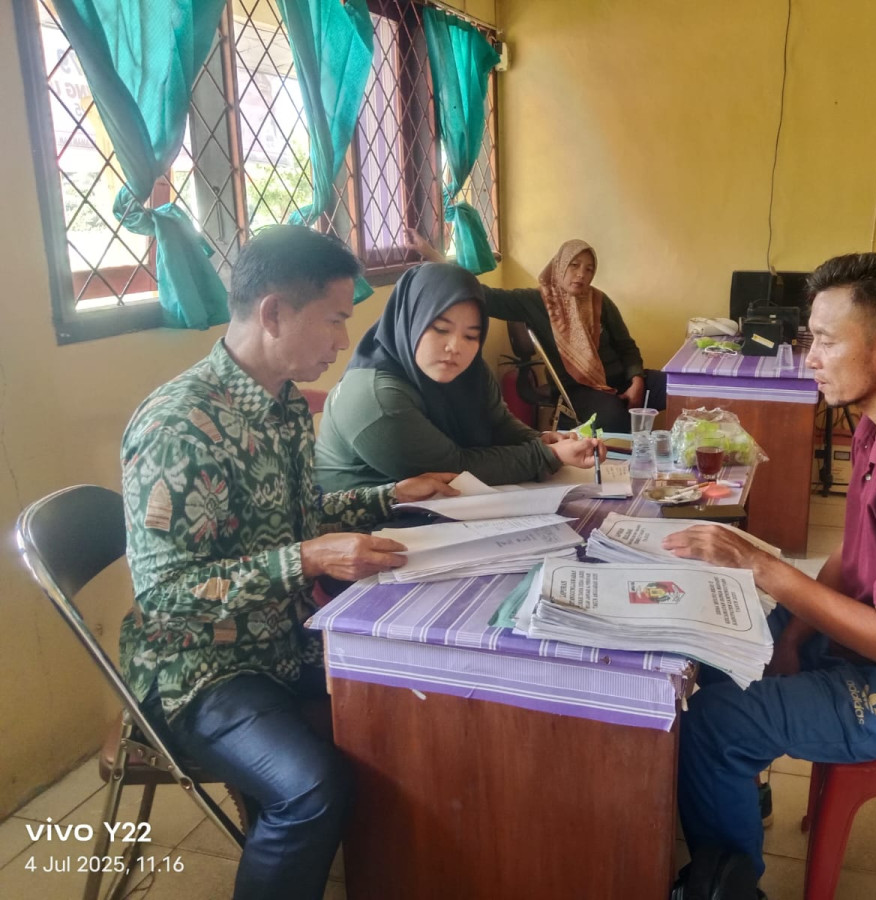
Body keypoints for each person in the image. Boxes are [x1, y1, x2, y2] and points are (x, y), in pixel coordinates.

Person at [120, 225, 458, 900]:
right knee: (309, 790)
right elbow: (165, 596)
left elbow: (301, 518)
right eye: (334, 320)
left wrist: (392, 495)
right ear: (273, 313)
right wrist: (306, 559)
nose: (343, 340)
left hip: (283, 639)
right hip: (199, 670)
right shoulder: (177, 426)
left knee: (423, 701)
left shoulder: (282, 405)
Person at [664, 252, 876, 888]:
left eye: (824, 341)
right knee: (713, 650)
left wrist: (762, 567)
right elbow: (853, 556)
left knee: (715, 724)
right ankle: (731, 797)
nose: (809, 360)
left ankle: (727, 882)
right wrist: (792, 637)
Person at [314, 262, 604, 491]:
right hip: (367, 530)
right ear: (411, 321)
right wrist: (550, 456)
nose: (455, 347)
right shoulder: (377, 399)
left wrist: (543, 440)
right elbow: (454, 469)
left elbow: (497, 423)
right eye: (441, 329)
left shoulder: (470, 371)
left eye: (471, 335)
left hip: (438, 512)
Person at [407, 232, 665, 433]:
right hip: (578, 389)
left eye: (589, 269)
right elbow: (483, 294)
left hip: (621, 379)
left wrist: (637, 381)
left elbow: (626, 346)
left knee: (676, 387)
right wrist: (434, 255)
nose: (581, 274)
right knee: (614, 416)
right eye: (574, 265)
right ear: (560, 266)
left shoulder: (600, 301)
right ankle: (627, 471)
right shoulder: (536, 302)